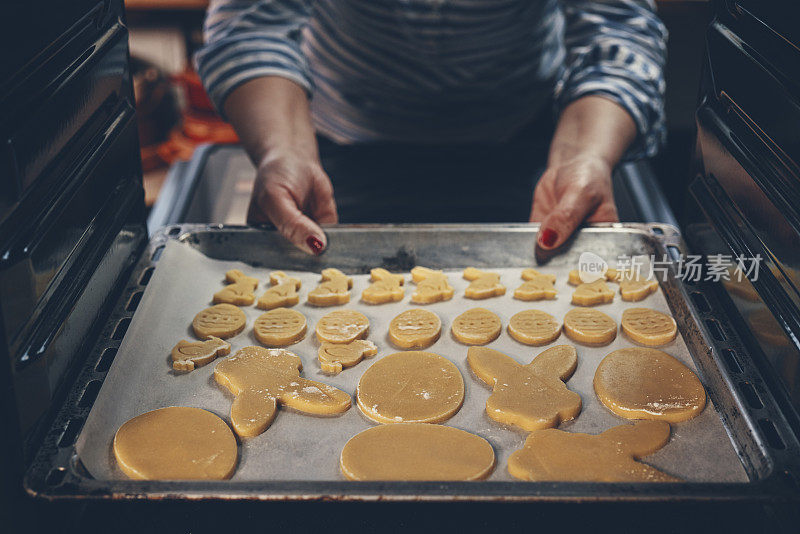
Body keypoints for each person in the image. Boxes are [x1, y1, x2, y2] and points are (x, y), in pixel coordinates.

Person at [196, 0, 667, 255]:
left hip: (530, 152)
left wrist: (589, 156)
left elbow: (616, 30)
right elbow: (252, 25)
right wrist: (283, 151)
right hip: (335, 156)